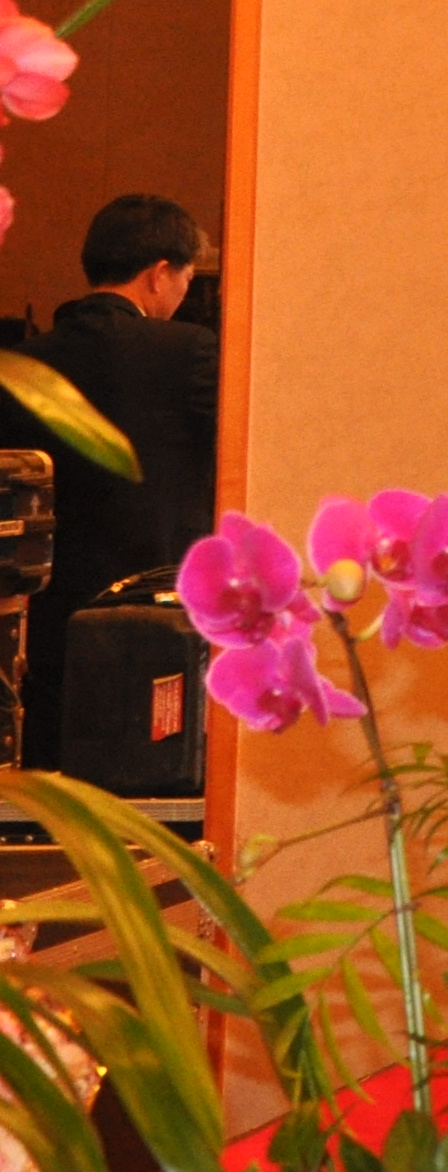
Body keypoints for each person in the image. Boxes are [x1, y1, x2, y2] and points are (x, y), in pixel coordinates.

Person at [15, 194, 222, 758]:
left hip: (48, 617)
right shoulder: (190, 352)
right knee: (152, 769)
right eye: (185, 279)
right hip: (155, 612)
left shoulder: (29, 365)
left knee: (54, 768)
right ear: (159, 273)